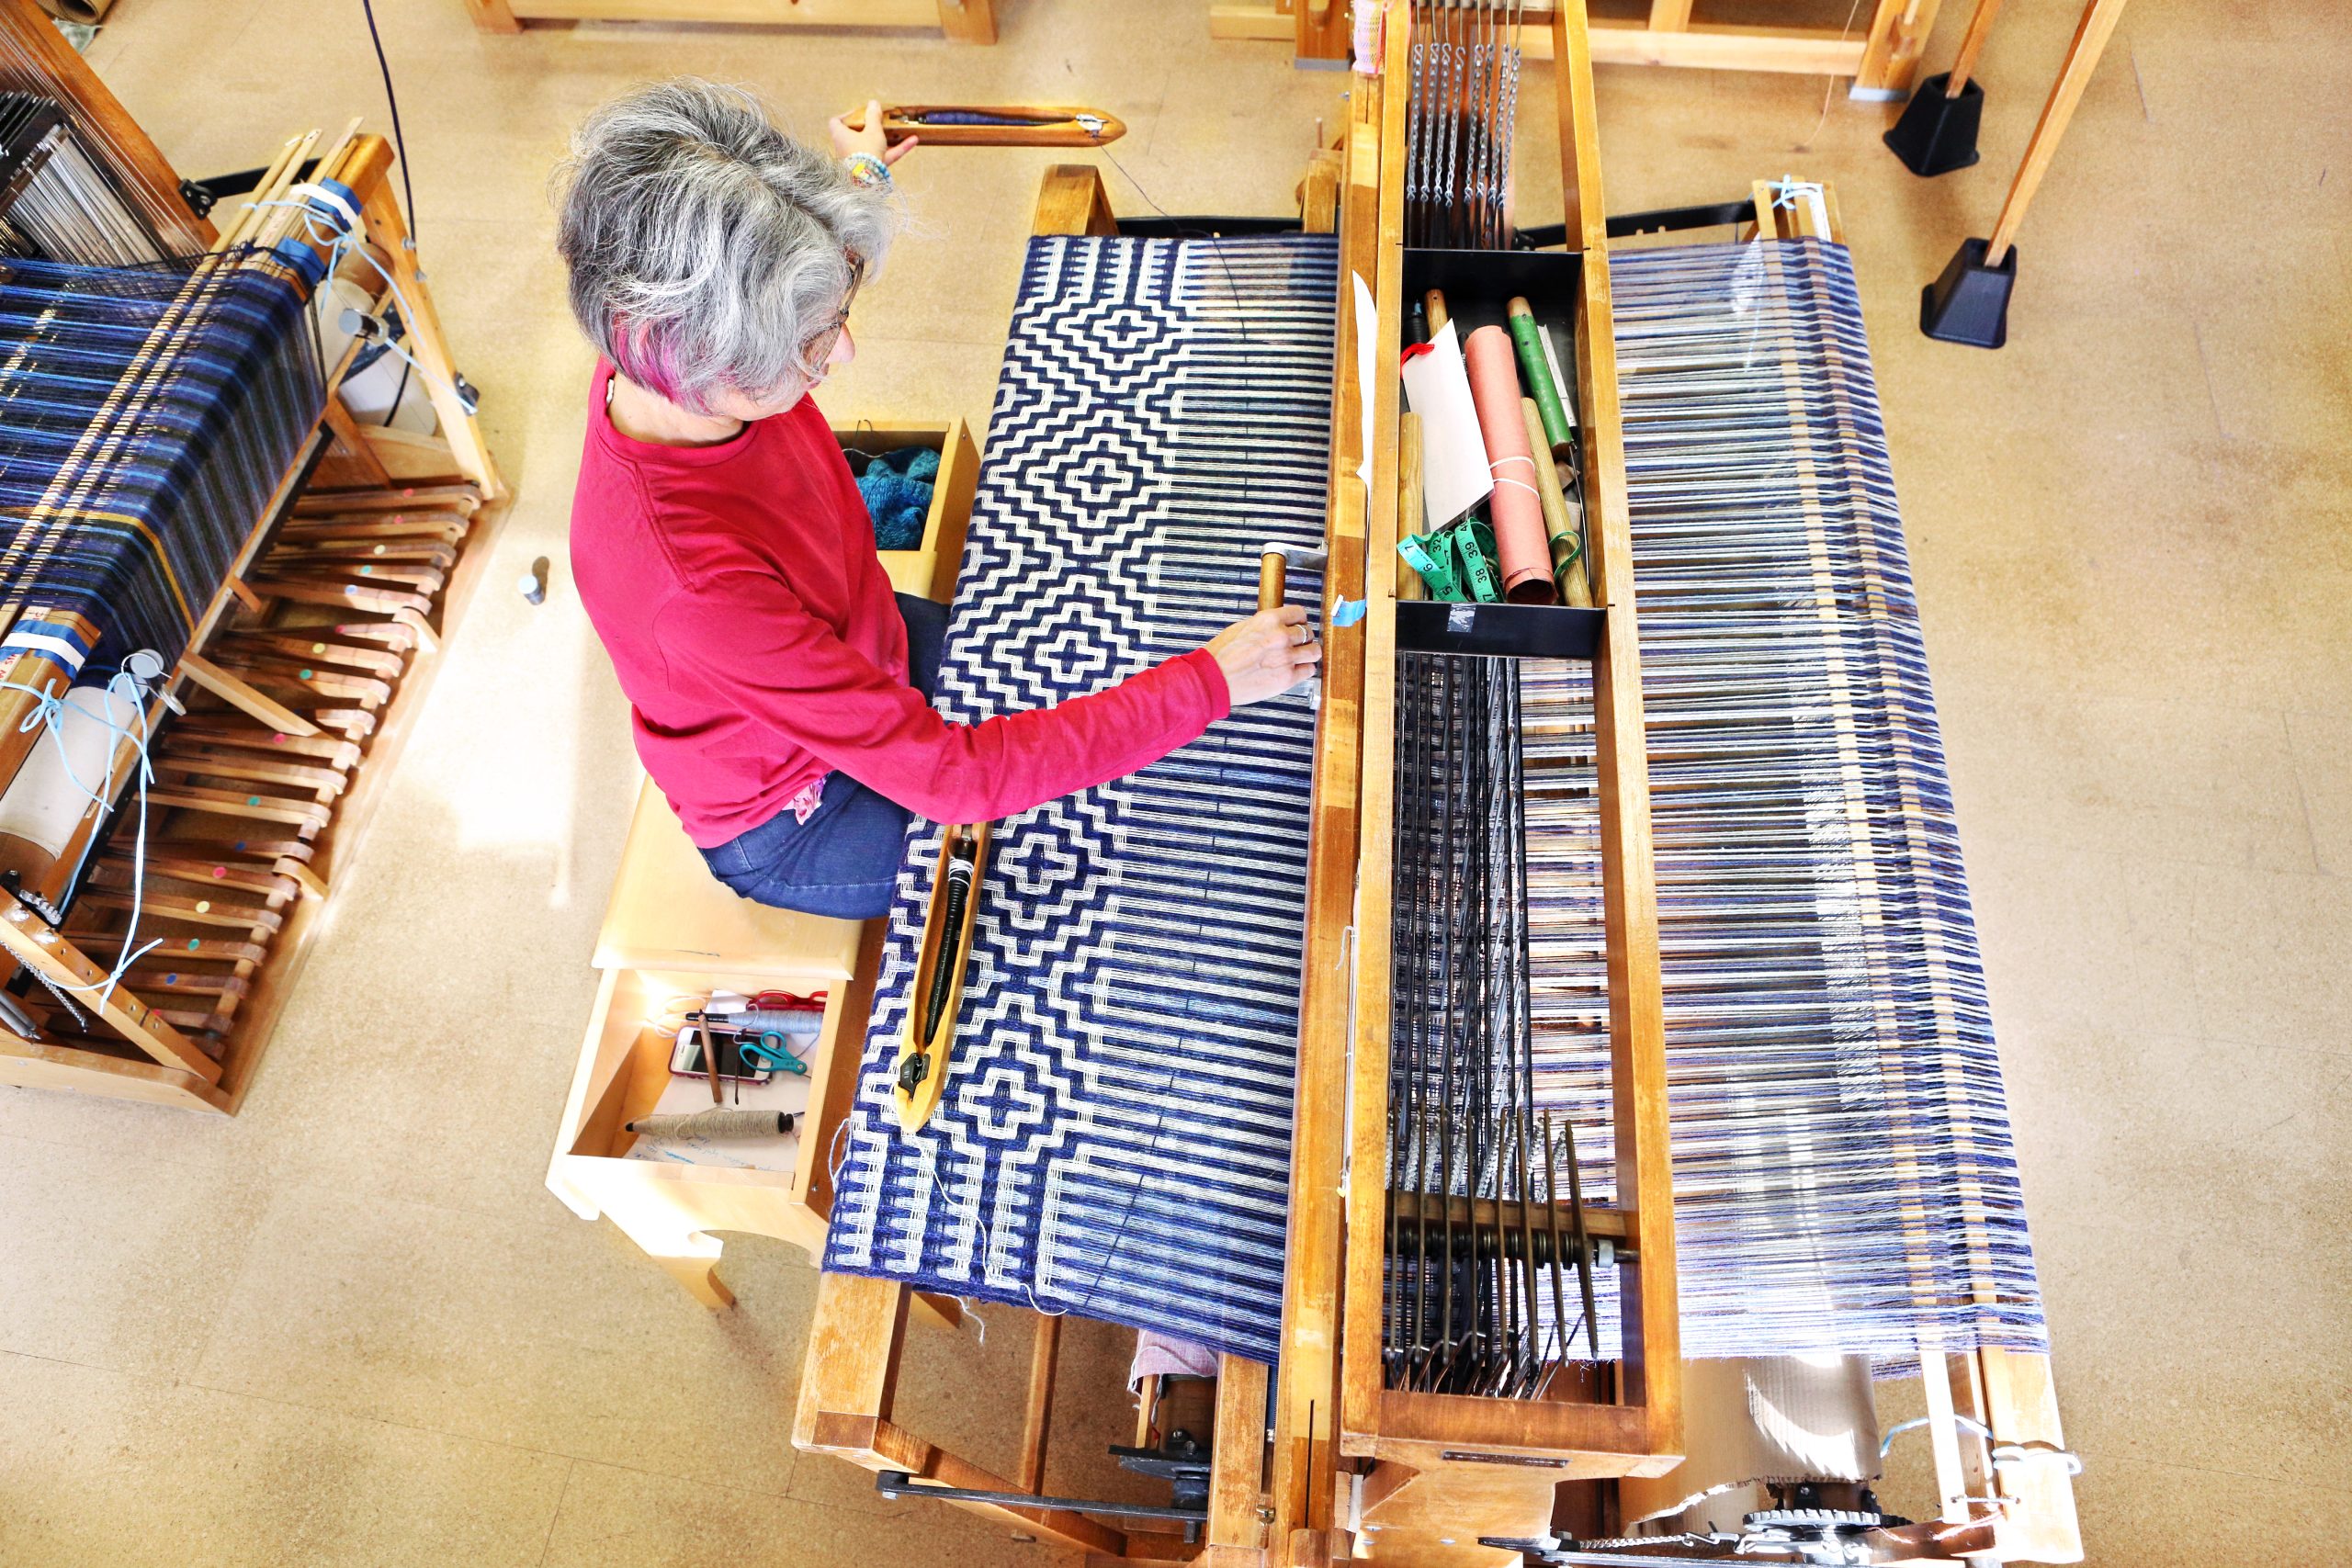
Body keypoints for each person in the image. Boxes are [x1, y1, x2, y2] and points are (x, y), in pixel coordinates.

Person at [559, 80, 1319, 920]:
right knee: (1071, 847)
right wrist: (1213, 680)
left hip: (860, 635)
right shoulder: (696, 589)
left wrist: (848, 187)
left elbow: (765, 277)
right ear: (701, 358)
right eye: (812, 340)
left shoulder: (658, 340)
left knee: (1074, 681)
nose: (841, 351)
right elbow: (958, 780)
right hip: (795, 815)